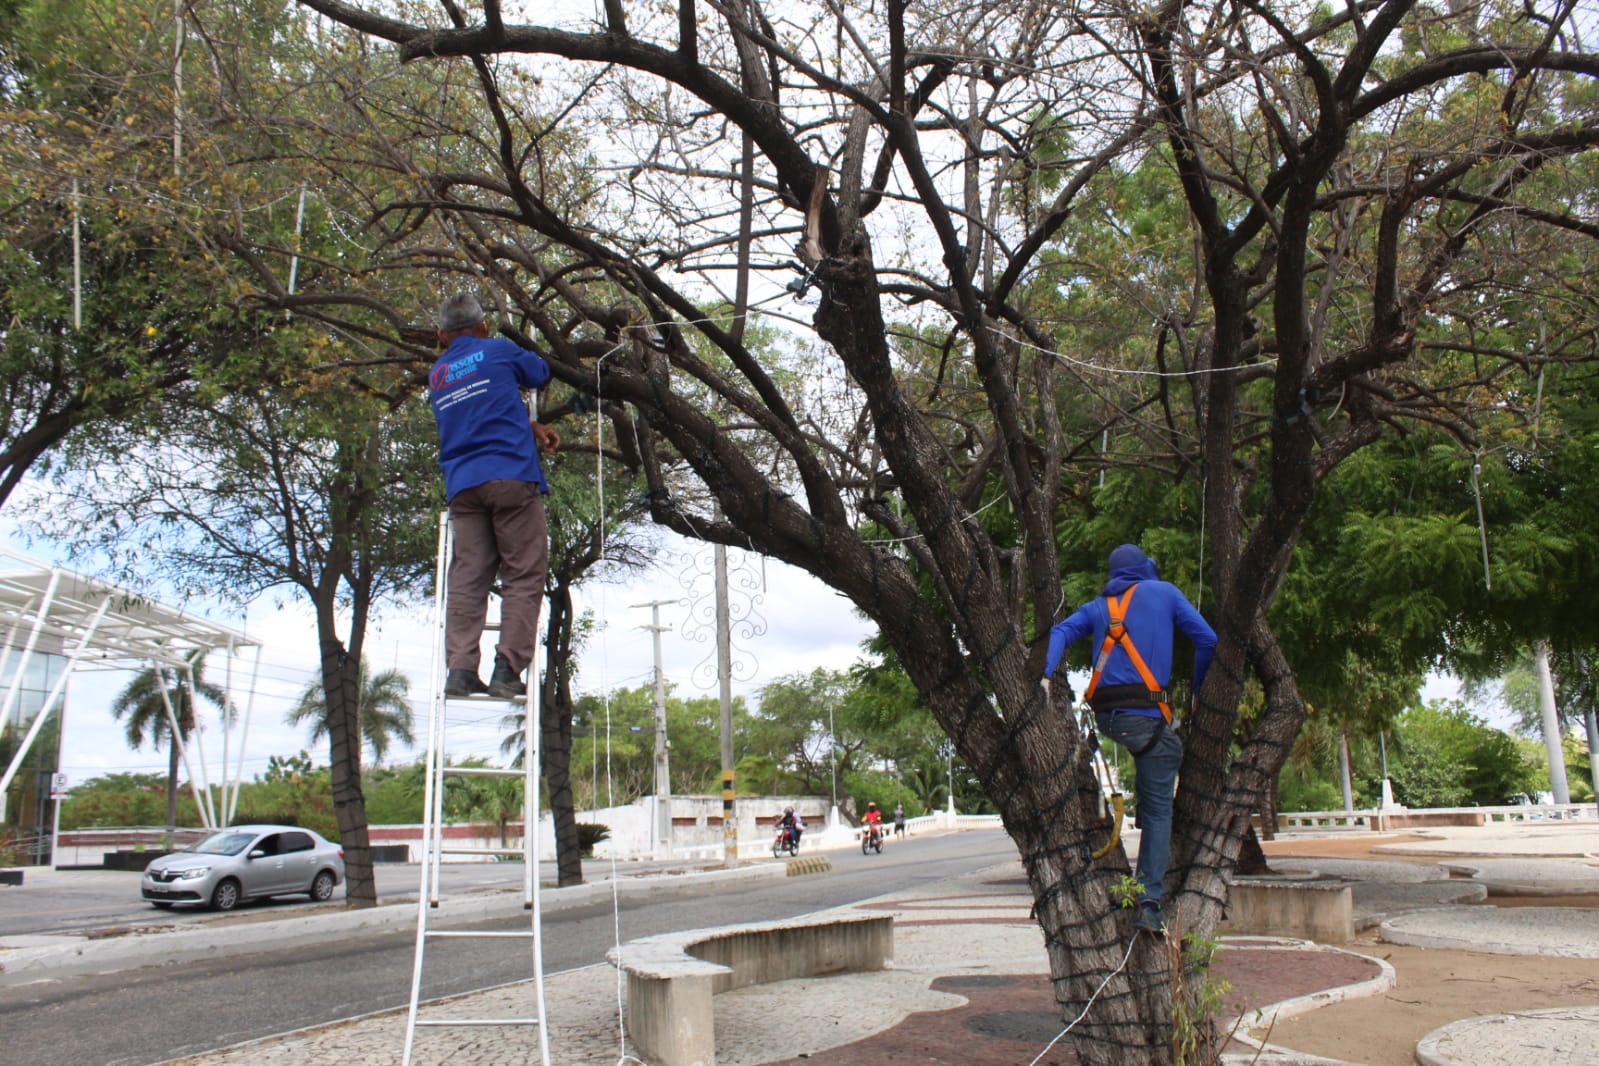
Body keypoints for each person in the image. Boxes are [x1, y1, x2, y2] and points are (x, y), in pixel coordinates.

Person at [1042, 543, 1215, 934]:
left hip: (1108, 718)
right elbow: (1207, 640)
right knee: (1158, 810)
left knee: (1152, 760)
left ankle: (1140, 868)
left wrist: (1045, 675)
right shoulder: (1165, 592)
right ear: (1145, 569)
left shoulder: (1098, 607)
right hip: (1147, 721)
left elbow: (1060, 631)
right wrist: (1198, 694)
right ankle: (1149, 903)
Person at [429, 292, 561, 700]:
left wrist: (529, 426)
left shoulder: (438, 374)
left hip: (464, 487)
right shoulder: (498, 349)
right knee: (522, 573)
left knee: (468, 579)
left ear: (441, 335)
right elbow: (539, 372)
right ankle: (507, 670)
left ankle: (460, 670)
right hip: (510, 477)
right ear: (484, 327)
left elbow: (480, 410)